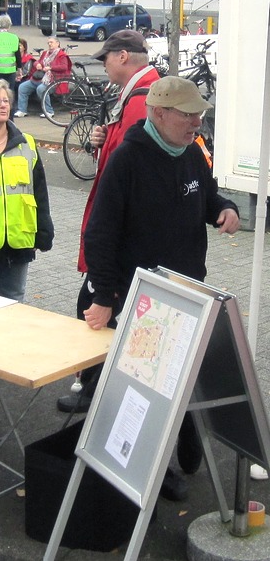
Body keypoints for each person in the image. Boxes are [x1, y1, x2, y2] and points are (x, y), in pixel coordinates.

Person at [82, 76, 240, 500]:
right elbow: (100, 234)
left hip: (189, 289)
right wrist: (102, 297)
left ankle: (187, 431)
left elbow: (208, 197)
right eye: (187, 114)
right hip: (143, 297)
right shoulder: (128, 159)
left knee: (184, 372)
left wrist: (225, 208)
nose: (196, 122)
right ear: (158, 113)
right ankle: (153, 464)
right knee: (146, 383)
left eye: (198, 114)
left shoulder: (191, 153)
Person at [58, 29, 161, 414]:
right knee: (100, 307)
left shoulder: (141, 98)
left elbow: (131, 170)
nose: (102, 64)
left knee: (96, 308)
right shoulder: (140, 93)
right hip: (121, 230)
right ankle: (96, 389)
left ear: (121, 56)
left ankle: (95, 393)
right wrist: (107, 137)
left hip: (119, 233)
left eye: (105, 57)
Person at [0, 80, 54, 302]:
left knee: (14, 301)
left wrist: (44, 230)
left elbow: (40, 192)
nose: (3, 105)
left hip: (19, 238)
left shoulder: (27, 144)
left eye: (6, 100)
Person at [13, 37, 71, 118]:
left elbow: (64, 67)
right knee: (23, 87)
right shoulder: (45, 53)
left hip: (53, 80)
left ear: (57, 43)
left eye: (51, 42)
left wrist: (51, 68)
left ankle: (49, 111)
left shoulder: (62, 55)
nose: (49, 44)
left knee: (41, 89)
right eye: (48, 43)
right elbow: (37, 61)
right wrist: (37, 64)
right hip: (39, 78)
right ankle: (22, 110)